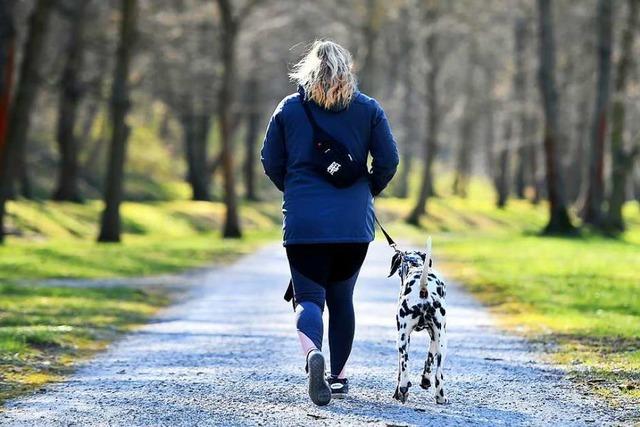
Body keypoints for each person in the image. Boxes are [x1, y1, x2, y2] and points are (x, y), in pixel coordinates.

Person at [261, 40, 399, 406]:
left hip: (304, 224)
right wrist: (368, 189)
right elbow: (389, 160)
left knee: (308, 298)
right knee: (342, 299)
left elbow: (270, 160)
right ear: (347, 70)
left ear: (308, 71)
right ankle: (337, 378)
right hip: (353, 226)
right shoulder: (368, 109)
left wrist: (293, 189)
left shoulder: (290, 109)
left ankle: (312, 357)